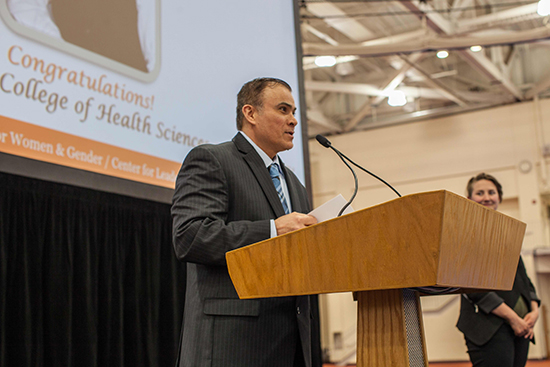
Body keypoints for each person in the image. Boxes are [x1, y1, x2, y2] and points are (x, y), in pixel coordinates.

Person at [171, 77, 320, 367]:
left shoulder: (295, 184)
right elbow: (190, 237)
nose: (293, 121)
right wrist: (273, 230)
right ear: (250, 113)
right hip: (232, 343)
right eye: (283, 110)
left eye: (294, 113)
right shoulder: (213, 159)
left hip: (291, 344)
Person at [456, 173, 541, 367]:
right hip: (489, 328)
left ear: (499, 198)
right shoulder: (463, 234)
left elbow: (523, 279)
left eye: (491, 192)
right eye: (480, 192)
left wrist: (534, 311)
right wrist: (513, 318)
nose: (486, 197)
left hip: (522, 326)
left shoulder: (506, 234)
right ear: (469, 199)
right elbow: (471, 286)